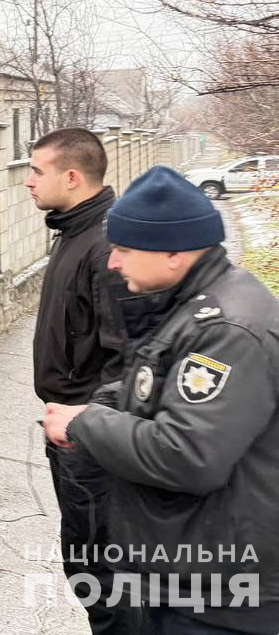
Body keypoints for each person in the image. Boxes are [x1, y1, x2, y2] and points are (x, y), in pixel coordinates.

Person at [44, 166, 279, 635]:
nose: (113, 263)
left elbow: (188, 454)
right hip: (189, 572)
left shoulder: (226, 330)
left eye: (124, 250)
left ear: (174, 253)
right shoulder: (188, 306)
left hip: (221, 597)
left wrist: (84, 425)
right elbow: (149, 385)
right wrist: (99, 410)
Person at [25, 127, 136, 634]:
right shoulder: (74, 232)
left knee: (102, 575)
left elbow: (129, 360)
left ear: (71, 177)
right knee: (87, 567)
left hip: (88, 439)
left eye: (36, 170)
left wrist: (85, 425)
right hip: (68, 428)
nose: (27, 181)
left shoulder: (107, 248)